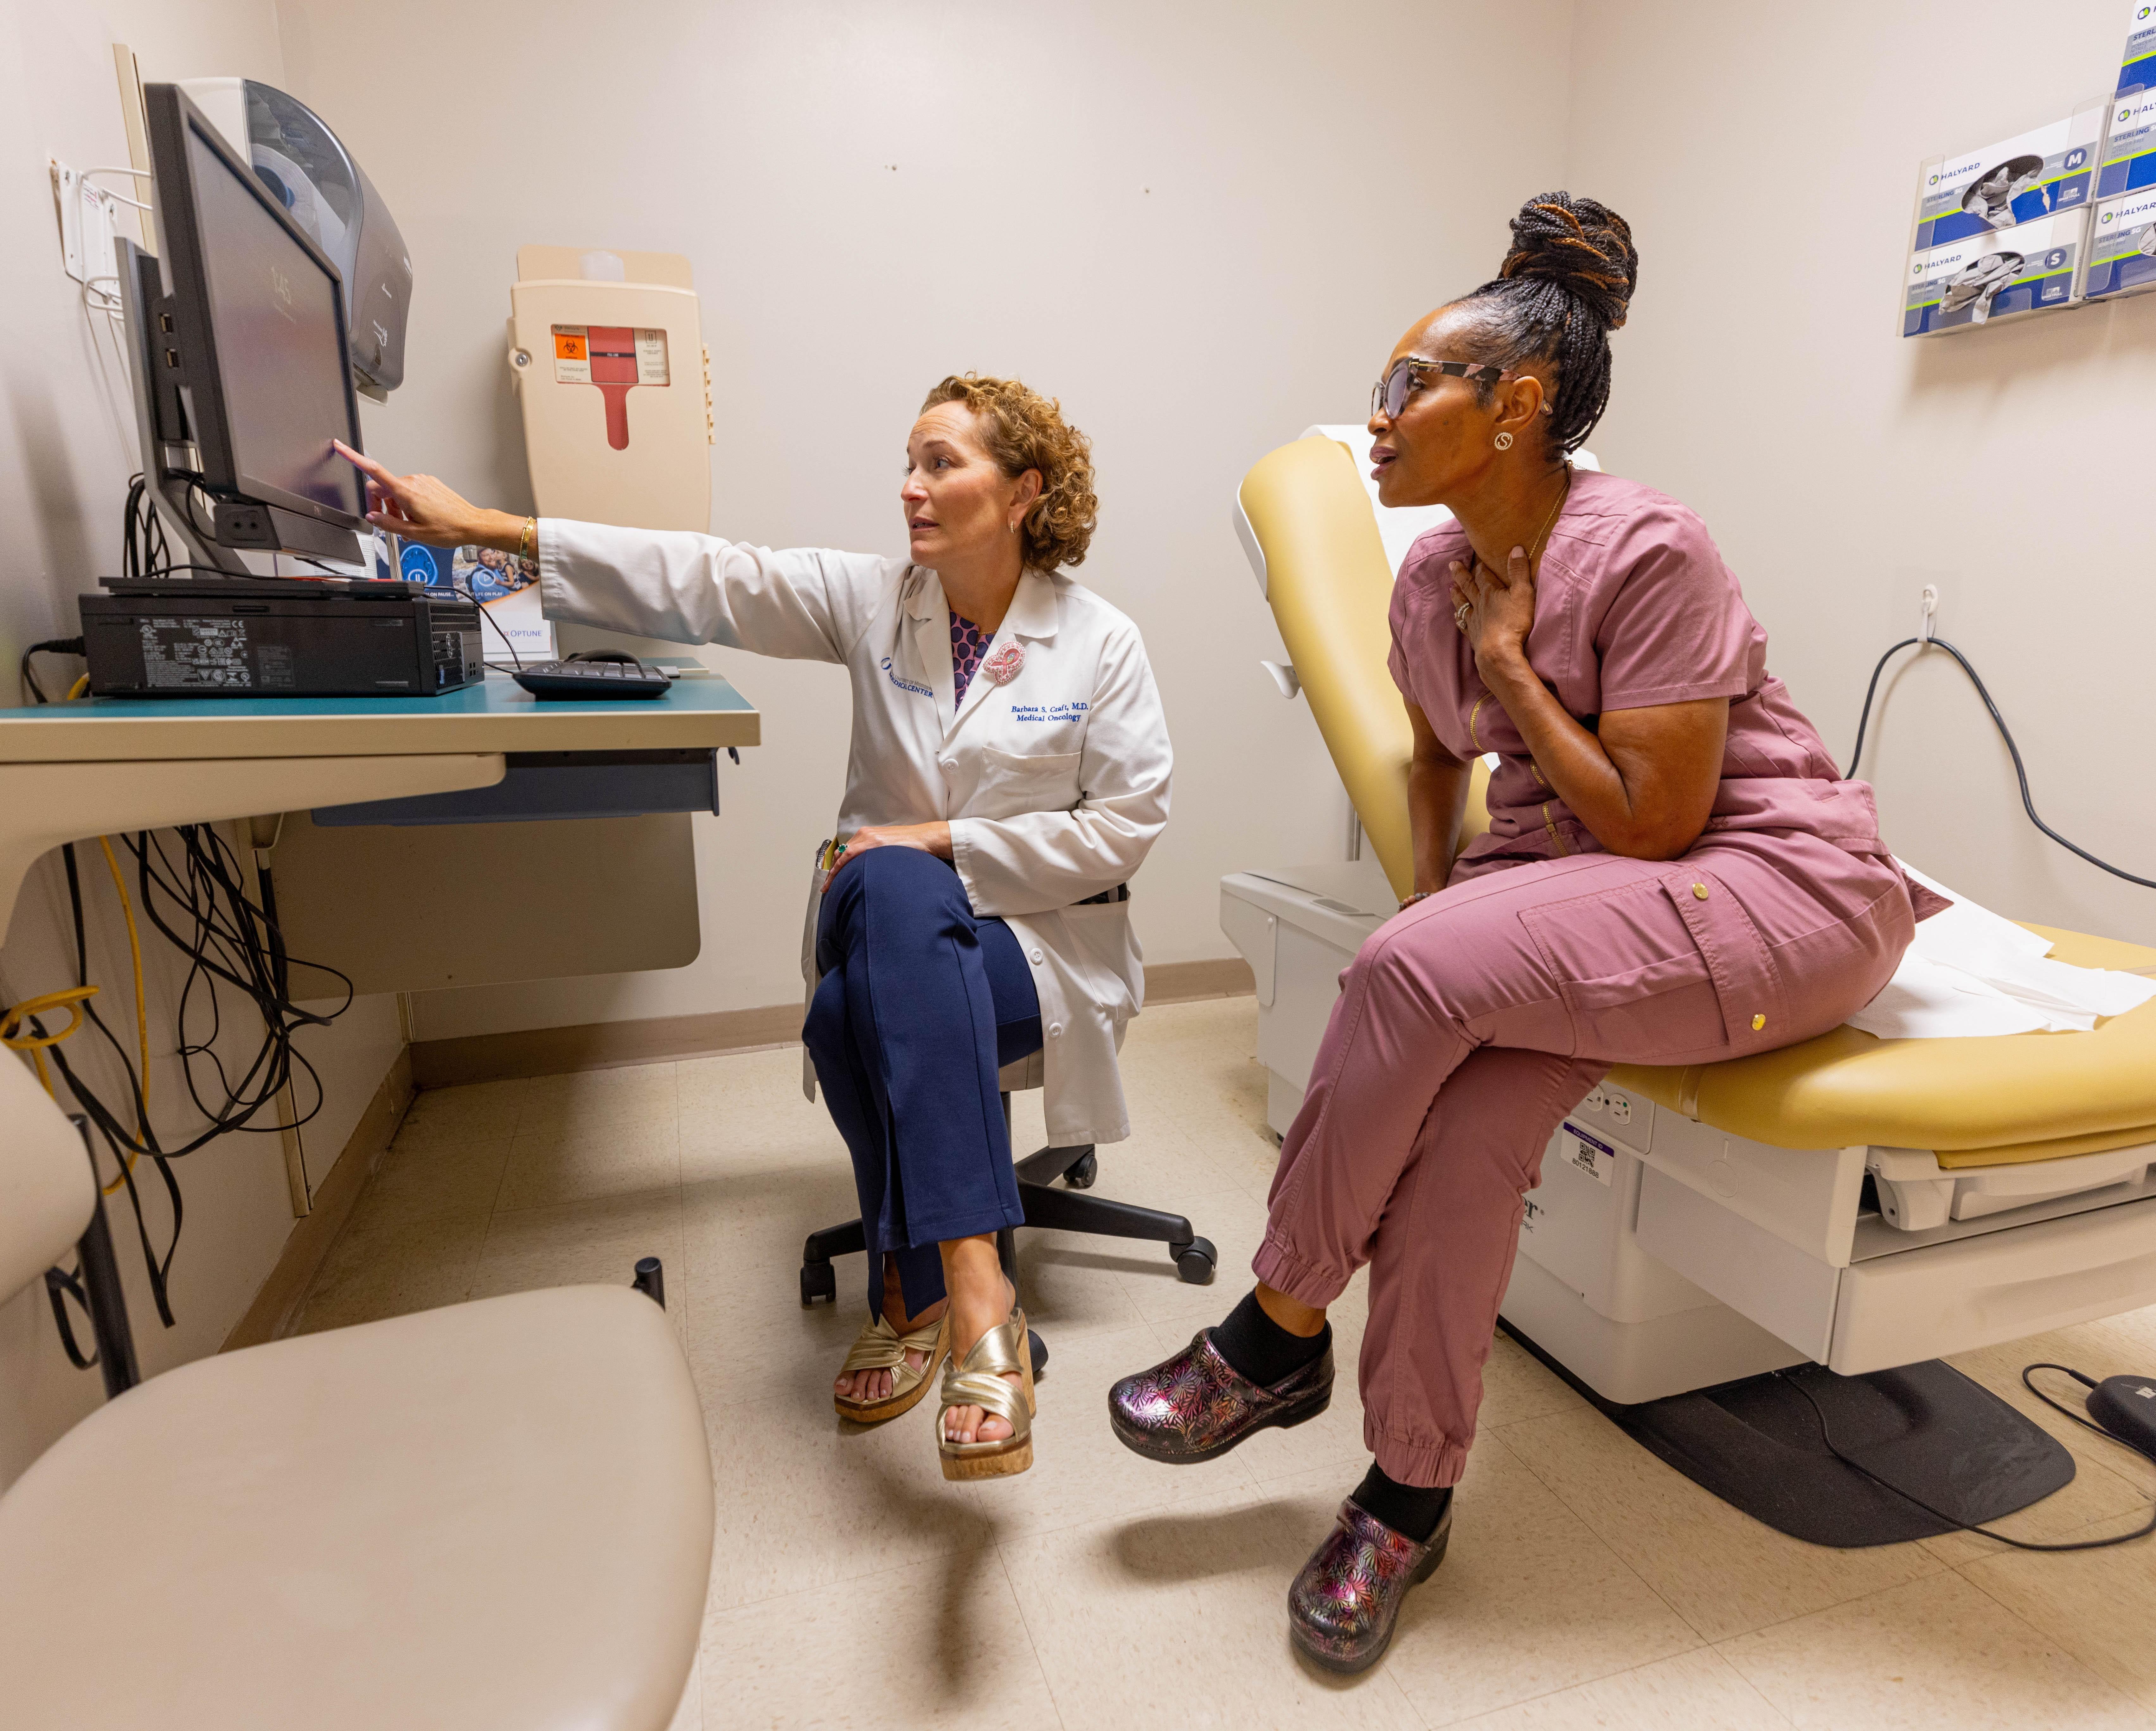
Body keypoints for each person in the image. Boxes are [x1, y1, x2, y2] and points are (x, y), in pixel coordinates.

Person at [1107, 193, 1941, 1670]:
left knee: (1418, 977)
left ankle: (1275, 1330)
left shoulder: (1647, 548)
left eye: (1406, 387)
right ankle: (1407, 1497)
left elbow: (1661, 821)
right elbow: (1435, 752)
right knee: (1466, 1130)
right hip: (1589, 897)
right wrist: (1437, 913)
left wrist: (1515, 677)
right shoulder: (1426, 576)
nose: (1376, 420)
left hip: (1774, 890)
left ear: (1517, 405)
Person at [336, 374, 1171, 1480]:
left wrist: (943, 842)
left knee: (849, 1001)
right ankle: (977, 1294)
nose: (909, 488)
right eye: (910, 463)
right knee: (886, 906)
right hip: (895, 920)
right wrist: (492, 529)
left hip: (1041, 948)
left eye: (940, 464)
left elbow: (1127, 824)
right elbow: (710, 580)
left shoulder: (1100, 641)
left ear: (1021, 493)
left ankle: (924, 1287)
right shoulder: (875, 601)